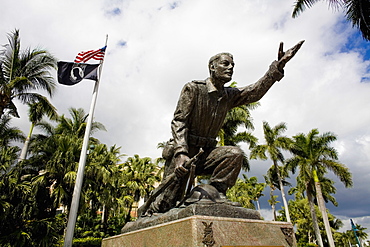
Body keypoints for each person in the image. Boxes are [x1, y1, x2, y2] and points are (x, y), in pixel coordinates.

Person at [148, 41, 304, 214]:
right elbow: (179, 121)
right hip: (185, 153)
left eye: (233, 65)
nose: (230, 68)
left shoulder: (228, 96)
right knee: (164, 205)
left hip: (206, 154)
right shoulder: (193, 89)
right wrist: (180, 153)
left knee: (234, 154)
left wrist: (276, 68)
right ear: (212, 67)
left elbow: (254, 92)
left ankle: (215, 193)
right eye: (225, 64)